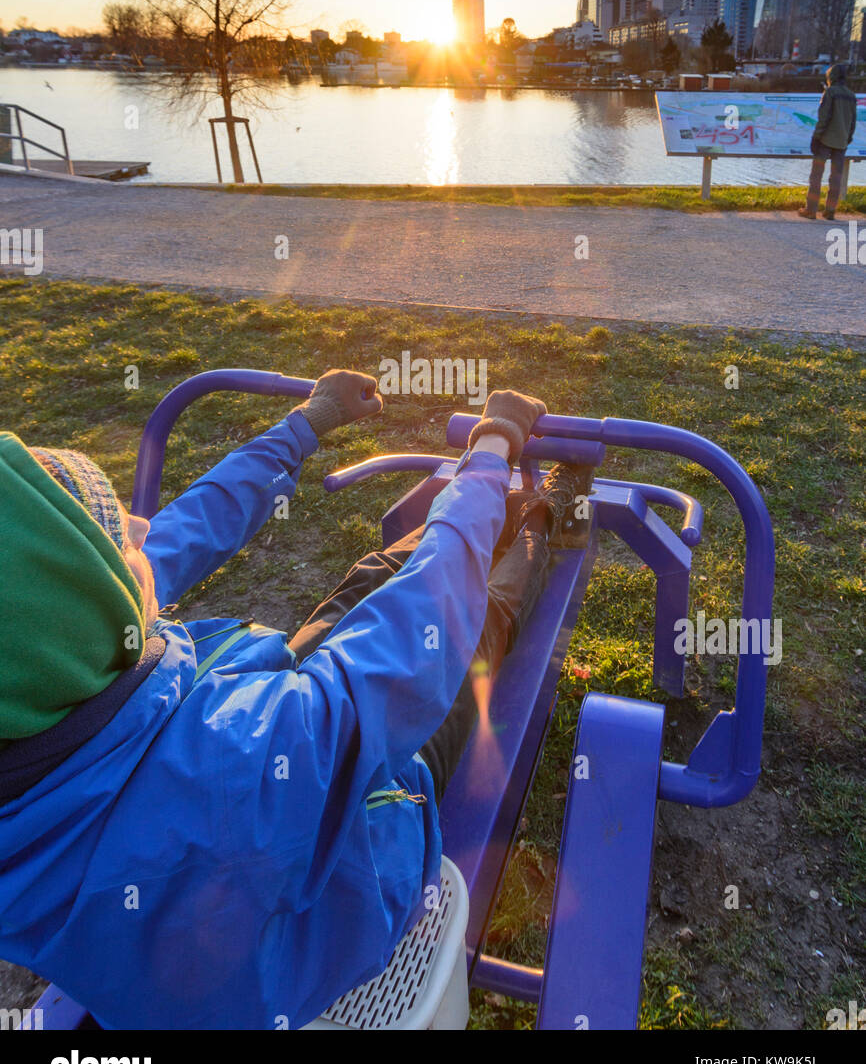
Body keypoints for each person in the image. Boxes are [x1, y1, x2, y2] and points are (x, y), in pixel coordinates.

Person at [0, 371, 580, 1030]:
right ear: (91, 612)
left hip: (241, 735)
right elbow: (423, 627)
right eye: (118, 536)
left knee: (371, 578)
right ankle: (541, 511)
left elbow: (181, 533)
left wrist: (306, 424)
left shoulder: (44, 673)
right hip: (355, 868)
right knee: (480, 626)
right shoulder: (254, 762)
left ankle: (483, 515)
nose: (138, 523)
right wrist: (494, 445)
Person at [798, 63, 858, 221]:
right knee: (836, 177)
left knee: (816, 175)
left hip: (825, 140)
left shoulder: (830, 93)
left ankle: (811, 210)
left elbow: (823, 118)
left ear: (831, 77)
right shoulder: (851, 96)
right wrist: (848, 137)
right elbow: (853, 121)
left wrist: (816, 137)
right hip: (842, 141)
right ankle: (830, 210)